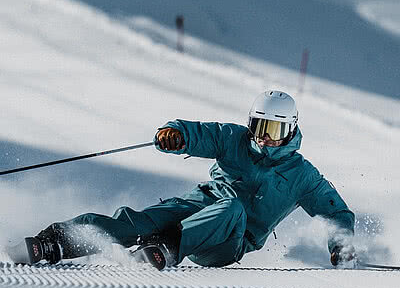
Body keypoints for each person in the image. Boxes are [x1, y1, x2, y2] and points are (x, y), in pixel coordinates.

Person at [32, 90, 357, 270]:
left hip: (227, 241)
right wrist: (175, 134)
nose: (265, 138)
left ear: (290, 130)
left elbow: (336, 213)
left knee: (232, 208)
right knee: (138, 221)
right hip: (196, 205)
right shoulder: (235, 139)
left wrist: (341, 246)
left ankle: (168, 249)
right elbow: (201, 133)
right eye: (260, 127)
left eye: (274, 131)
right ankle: (56, 240)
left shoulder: (303, 175)